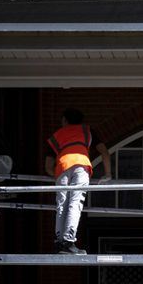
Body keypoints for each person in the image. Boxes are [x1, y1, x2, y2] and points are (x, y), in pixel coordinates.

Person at [44, 107, 112, 255]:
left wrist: (56, 175)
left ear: (64, 120)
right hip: (81, 165)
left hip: (62, 167)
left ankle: (60, 242)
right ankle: (68, 242)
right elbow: (104, 152)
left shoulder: (57, 135)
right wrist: (108, 174)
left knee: (62, 204)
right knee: (75, 203)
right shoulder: (87, 131)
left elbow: (48, 166)